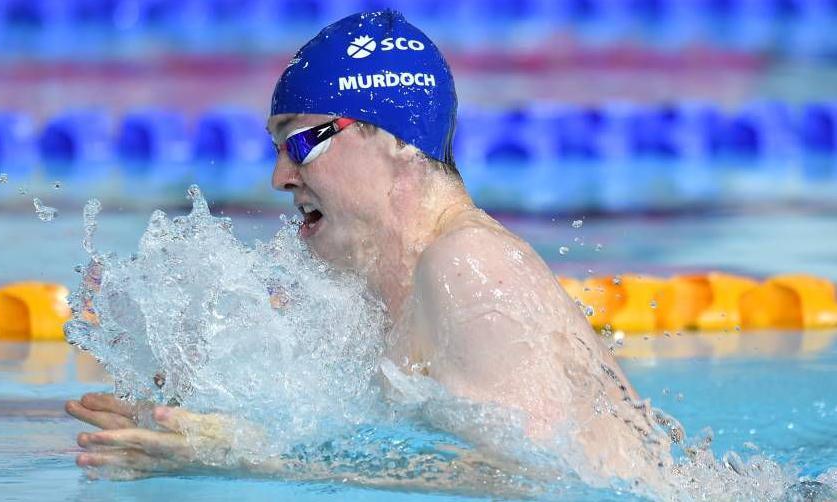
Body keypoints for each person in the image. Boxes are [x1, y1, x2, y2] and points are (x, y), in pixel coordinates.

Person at [67, 9, 672, 493]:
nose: (280, 176)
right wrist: (178, 415)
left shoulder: (467, 265)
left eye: (301, 141)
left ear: (394, 138)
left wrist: (249, 457)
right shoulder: (380, 289)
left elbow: (534, 482)